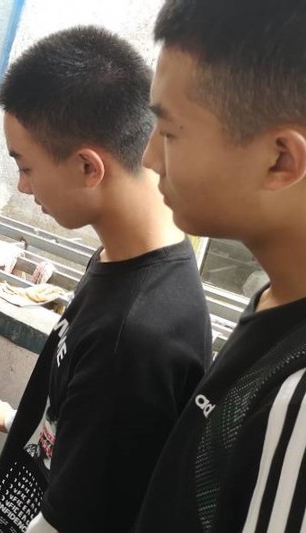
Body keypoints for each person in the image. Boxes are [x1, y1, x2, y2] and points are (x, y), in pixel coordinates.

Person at [0, 26, 212, 533]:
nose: (23, 186)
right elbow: (103, 442)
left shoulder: (137, 336)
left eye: (25, 167)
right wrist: (22, 424)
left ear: (87, 166)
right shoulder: (118, 256)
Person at [134, 1, 306, 531]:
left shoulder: (298, 400)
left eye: (169, 132)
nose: (149, 159)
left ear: (280, 160)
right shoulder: (277, 296)